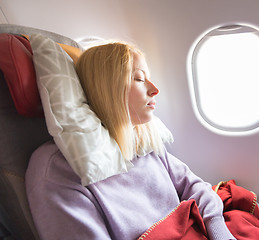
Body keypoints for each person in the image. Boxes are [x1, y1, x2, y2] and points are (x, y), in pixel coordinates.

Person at [26, 42, 235, 240]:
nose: (154, 89)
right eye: (139, 78)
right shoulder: (57, 170)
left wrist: (219, 232)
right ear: (109, 88)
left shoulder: (141, 141)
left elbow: (194, 185)